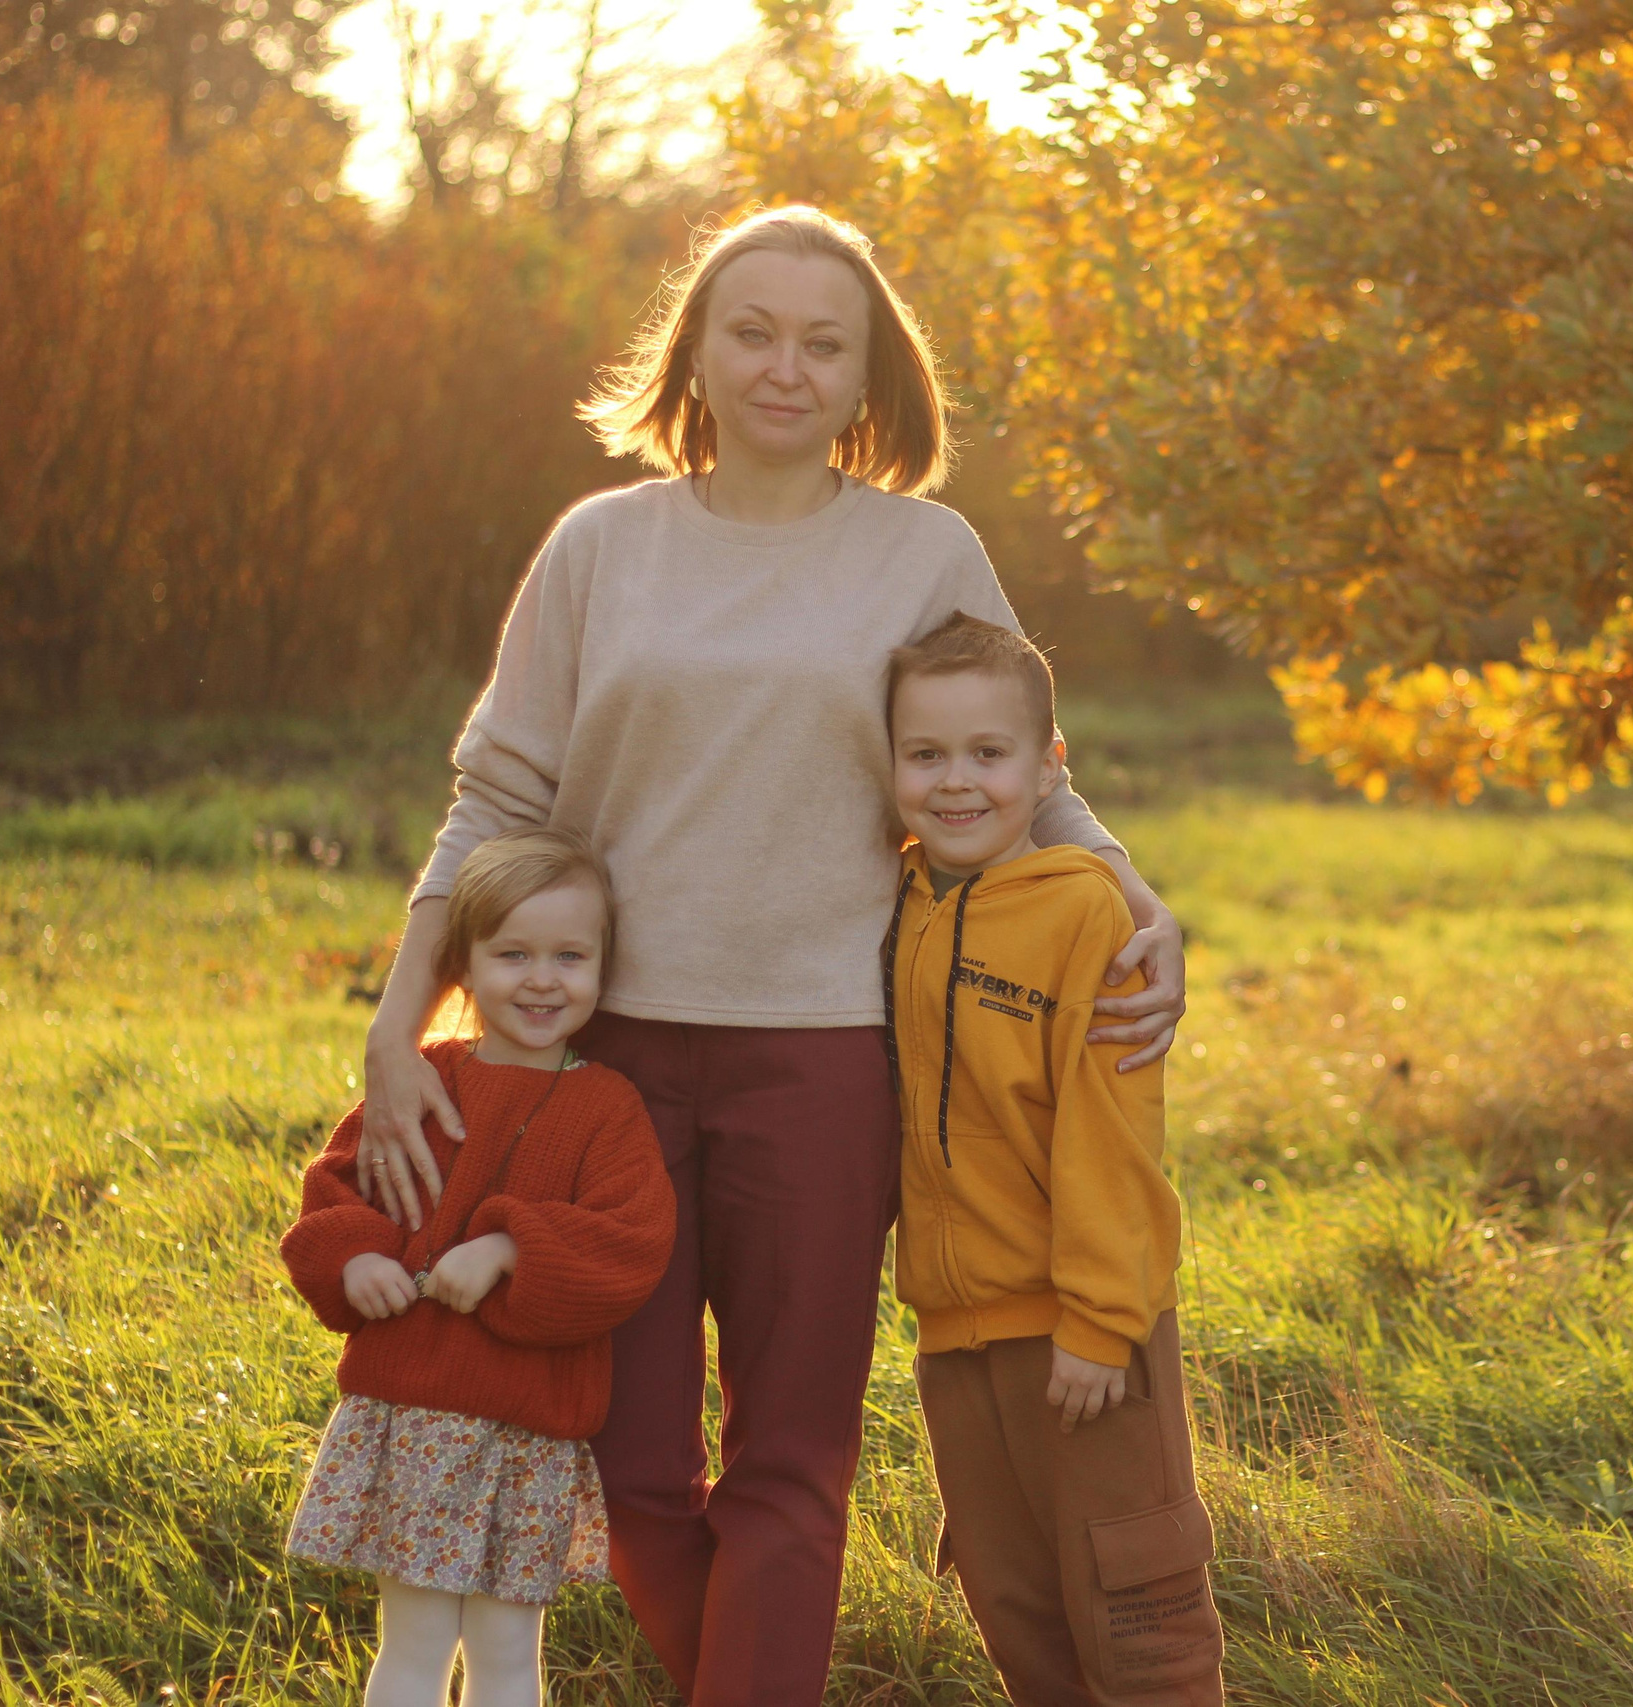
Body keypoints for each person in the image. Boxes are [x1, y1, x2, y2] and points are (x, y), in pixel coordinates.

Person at [348, 204, 1189, 1707]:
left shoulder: (925, 550)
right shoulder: (603, 544)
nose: (786, 365)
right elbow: (496, 795)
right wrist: (399, 1022)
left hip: (823, 1055)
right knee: (640, 1470)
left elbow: (1021, 763)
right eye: (753, 330)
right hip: (597, 1065)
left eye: (824, 340)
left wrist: (1137, 896)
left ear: (872, 373)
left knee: (792, 1462)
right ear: (697, 353)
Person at [883, 612, 1223, 1705]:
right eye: (925, 754)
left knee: (1139, 1622)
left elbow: (1114, 1138)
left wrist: (1099, 1319)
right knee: (1013, 1606)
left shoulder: (1089, 914)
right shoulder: (902, 900)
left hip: (1085, 1341)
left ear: (1047, 767)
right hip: (956, 1337)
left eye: (988, 754)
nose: (955, 783)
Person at [281, 827, 676, 1707]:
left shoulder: (606, 1107)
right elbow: (334, 1190)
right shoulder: (423, 1082)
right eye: (514, 954)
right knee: (414, 1643)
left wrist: (511, 1247)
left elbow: (633, 1239)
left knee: (506, 1650)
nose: (543, 978)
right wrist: (355, 1262)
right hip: (413, 1416)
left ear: (605, 966)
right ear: (462, 966)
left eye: (570, 956)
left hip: (528, 1430)